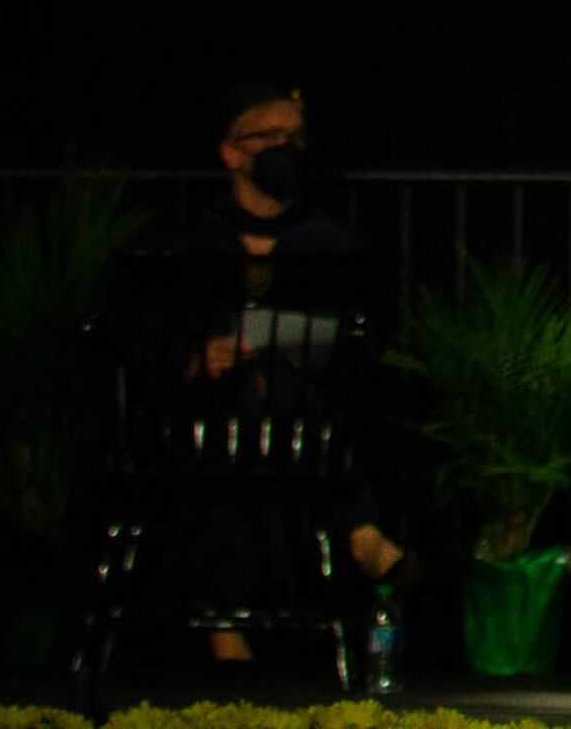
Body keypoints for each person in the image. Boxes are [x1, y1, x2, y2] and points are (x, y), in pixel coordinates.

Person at [120, 83, 412, 663]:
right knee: (236, 397)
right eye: (270, 136)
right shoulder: (182, 247)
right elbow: (143, 345)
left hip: (306, 429)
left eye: (296, 138)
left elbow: (366, 354)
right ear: (232, 151)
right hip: (200, 425)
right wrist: (197, 359)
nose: (287, 148)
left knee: (279, 380)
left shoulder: (333, 250)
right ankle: (360, 530)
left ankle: (226, 623)